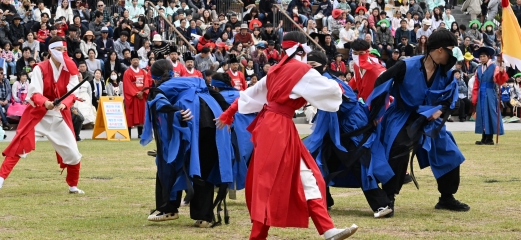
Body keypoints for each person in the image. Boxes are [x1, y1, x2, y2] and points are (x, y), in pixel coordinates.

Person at [216, 31, 358, 240]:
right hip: (279, 127)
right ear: (301, 49)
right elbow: (331, 91)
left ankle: (327, 229)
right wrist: (339, 84)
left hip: (272, 126)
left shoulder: (275, 70)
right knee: (273, 182)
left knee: (300, 175)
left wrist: (228, 114)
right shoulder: (302, 70)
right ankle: (262, 237)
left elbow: (250, 94)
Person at [358, 29, 470, 216]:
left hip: (429, 118)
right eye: (451, 49)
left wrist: (440, 110)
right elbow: (381, 81)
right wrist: (376, 114)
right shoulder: (406, 65)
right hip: (401, 115)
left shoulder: (445, 73)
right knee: (397, 149)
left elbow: (451, 98)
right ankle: (388, 198)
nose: (453, 54)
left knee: (449, 151)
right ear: (440, 50)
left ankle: (446, 197)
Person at [140, 59, 233, 228]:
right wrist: (229, 115)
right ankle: (204, 216)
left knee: (168, 162)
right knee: (203, 169)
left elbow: (159, 102)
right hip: (215, 122)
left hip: (192, 123)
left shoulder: (159, 88)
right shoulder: (196, 80)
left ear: (154, 77)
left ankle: (168, 208)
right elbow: (217, 96)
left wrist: (177, 112)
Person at [303, 51, 393, 216]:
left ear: (324, 66)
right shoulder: (322, 81)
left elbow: (333, 105)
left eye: (313, 66)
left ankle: (382, 204)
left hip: (352, 125)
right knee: (322, 158)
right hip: (337, 124)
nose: (310, 69)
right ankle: (322, 200)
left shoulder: (329, 82)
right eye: (307, 66)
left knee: (359, 161)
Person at [0, 37, 85, 195]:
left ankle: (73, 186)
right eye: (59, 50)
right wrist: (46, 103)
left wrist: (64, 104)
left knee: (74, 154)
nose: (62, 54)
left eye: (64, 50)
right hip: (38, 115)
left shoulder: (70, 69)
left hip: (59, 116)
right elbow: (35, 92)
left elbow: (72, 93)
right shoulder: (39, 68)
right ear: (50, 51)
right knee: (19, 147)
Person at [471, 46, 508, 145]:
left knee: (490, 113)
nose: (482, 58)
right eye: (480, 56)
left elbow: (499, 81)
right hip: (481, 93)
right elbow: (476, 84)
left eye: (484, 56)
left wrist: (501, 72)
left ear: (488, 57)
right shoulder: (478, 69)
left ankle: (490, 137)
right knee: (482, 114)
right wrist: (474, 97)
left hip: (490, 92)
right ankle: (483, 137)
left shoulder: (495, 67)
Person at [122, 51, 151, 139]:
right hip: (133, 96)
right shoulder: (127, 72)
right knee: (130, 114)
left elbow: (146, 82)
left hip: (141, 95)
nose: (136, 61)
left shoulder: (143, 71)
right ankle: (129, 134)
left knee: (142, 114)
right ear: (130, 61)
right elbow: (127, 85)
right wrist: (136, 93)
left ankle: (140, 133)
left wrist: (142, 92)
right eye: (134, 60)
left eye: (137, 60)